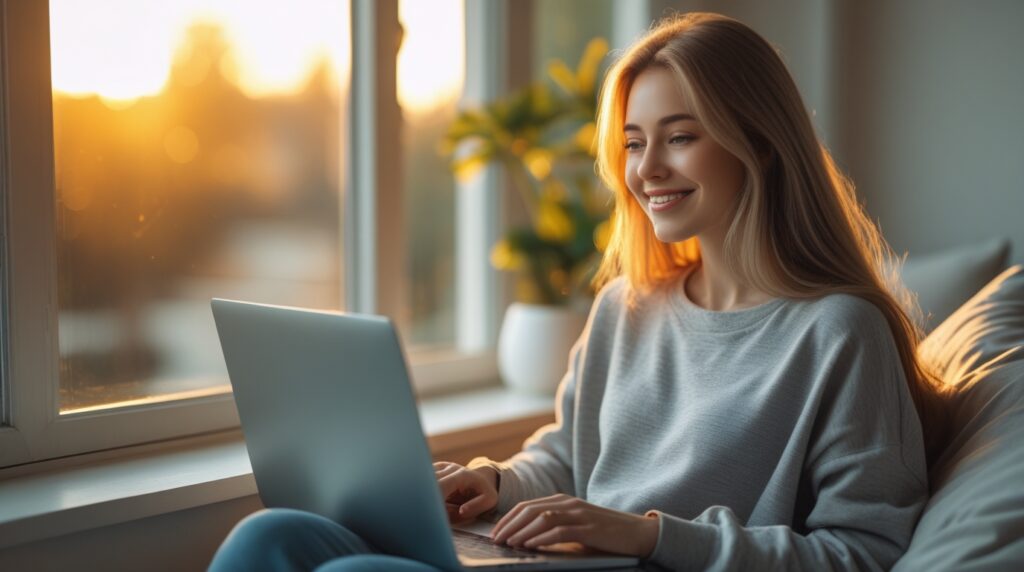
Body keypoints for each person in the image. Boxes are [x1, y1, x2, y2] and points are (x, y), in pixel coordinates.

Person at [210, 12, 949, 571]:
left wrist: (649, 535)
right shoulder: (627, 306)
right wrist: (496, 481)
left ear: (758, 141)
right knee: (270, 535)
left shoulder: (840, 333)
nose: (647, 169)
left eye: (679, 136)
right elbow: (568, 457)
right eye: (633, 142)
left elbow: (864, 550)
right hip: (552, 561)